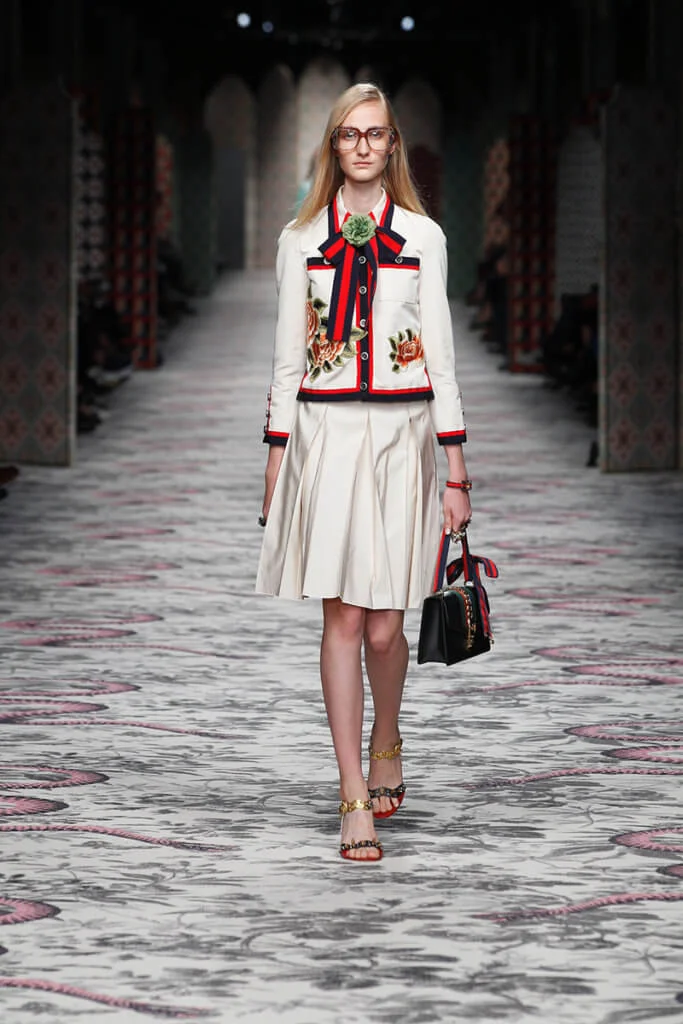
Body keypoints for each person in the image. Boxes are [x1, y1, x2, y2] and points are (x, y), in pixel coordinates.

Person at [256, 83, 471, 863]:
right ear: (333, 146)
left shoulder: (422, 237)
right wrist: (276, 460)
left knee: (387, 626)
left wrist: (456, 470)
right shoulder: (299, 241)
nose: (362, 146)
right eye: (349, 134)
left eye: (375, 134)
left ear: (392, 146)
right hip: (327, 438)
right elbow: (286, 362)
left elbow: (440, 357)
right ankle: (352, 792)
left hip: (403, 440)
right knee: (342, 619)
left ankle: (387, 734)